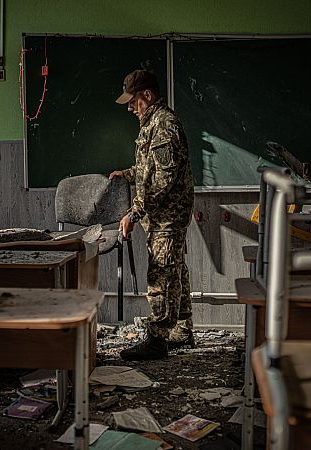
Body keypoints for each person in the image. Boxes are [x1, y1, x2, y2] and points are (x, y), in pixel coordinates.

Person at [109, 69, 195, 361]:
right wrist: (127, 173)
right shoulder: (151, 123)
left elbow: (163, 180)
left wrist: (134, 213)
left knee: (160, 275)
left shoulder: (164, 124)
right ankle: (182, 330)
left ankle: (158, 340)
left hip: (167, 216)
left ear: (147, 94)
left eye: (133, 101)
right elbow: (150, 169)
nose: (130, 108)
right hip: (161, 216)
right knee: (175, 270)